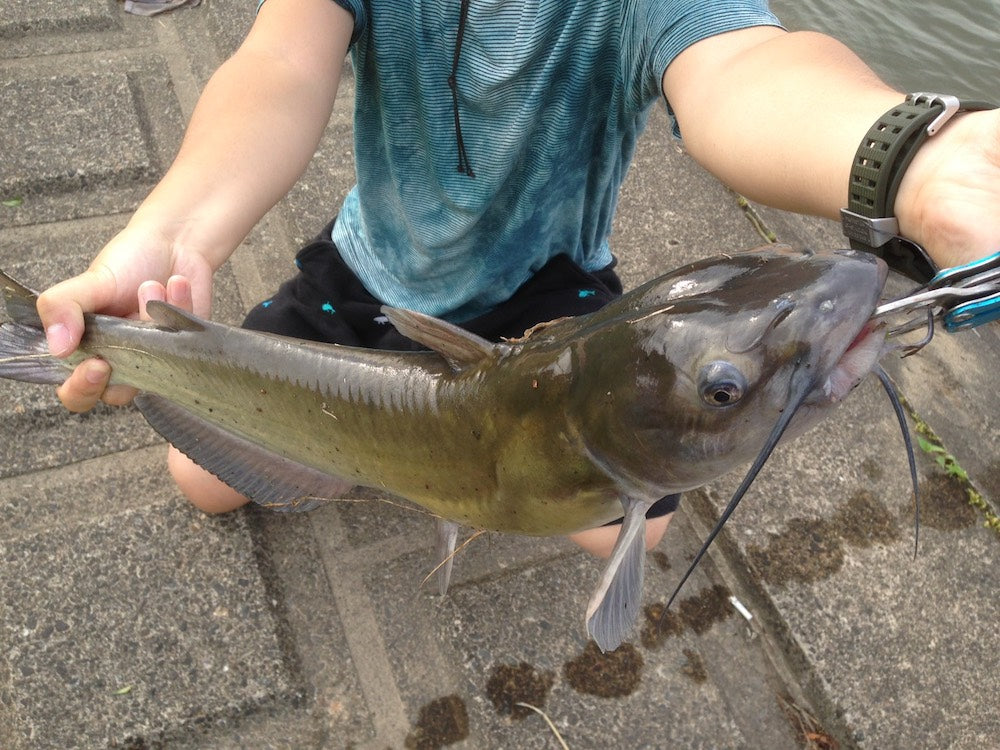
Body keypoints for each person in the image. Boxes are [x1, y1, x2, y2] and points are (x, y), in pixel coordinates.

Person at [34, 0, 1000, 559]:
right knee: (198, 481)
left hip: (552, 304)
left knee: (628, 534)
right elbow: (279, 65)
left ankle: (415, 453)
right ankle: (414, 454)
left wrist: (915, 158)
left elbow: (747, 70)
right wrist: (171, 232)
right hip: (378, 270)